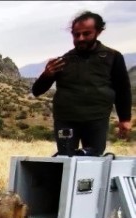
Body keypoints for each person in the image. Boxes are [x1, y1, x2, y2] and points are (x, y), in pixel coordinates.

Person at [31, 11, 132, 156]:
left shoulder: (112, 57)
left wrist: (125, 119)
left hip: (97, 119)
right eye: (76, 34)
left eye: (86, 33)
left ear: (98, 32)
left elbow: (122, 89)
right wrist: (47, 75)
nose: (80, 38)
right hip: (66, 119)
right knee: (65, 159)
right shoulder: (63, 60)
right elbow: (36, 90)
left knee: (93, 159)